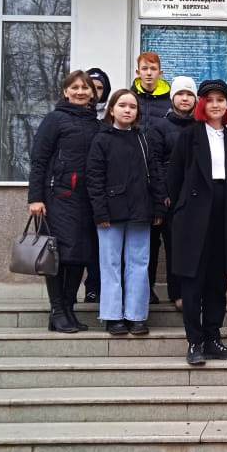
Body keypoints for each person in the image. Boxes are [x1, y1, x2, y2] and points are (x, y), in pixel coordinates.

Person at [167, 79, 227, 366]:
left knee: (217, 281)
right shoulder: (189, 135)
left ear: (226, 105)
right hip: (193, 215)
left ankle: (213, 339)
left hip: (223, 214)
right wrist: (181, 209)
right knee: (193, 282)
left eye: (220, 100)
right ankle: (195, 341)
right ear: (201, 104)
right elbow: (174, 177)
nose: (215, 105)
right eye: (209, 100)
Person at [86, 89, 166, 336]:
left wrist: (158, 206)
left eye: (132, 106)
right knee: (110, 264)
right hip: (110, 214)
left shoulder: (143, 139)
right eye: (122, 105)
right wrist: (100, 213)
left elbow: (155, 174)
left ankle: (136, 316)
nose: (127, 110)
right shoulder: (101, 139)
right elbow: (94, 179)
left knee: (139, 264)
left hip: (141, 212)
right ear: (111, 109)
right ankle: (113, 316)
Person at [28, 70, 100, 333]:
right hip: (58, 198)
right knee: (57, 255)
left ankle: (69, 309)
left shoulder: (95, 123)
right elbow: (39, 160)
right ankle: (57, 311)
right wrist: (35, 198)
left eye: (85, 88)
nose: (80, 92)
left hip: (86, 200)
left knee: (80, 255)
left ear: (92, 93)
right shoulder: (55, 119)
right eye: (75, 87)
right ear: (65, 92)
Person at [150, 76, 197, 311]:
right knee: (172, 246)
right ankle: (176, 292)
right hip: (169, 197)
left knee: (190, 246)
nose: (185, 98)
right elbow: (154, 163)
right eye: (180, 94)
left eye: (189, 94)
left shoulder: (201, 127)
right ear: (172, 98)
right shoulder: (159, 127)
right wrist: (163, 193)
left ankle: (189, 292)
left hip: (195, 196)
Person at [132, 51, 172, 303]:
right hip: (135, 177)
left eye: (153, 69)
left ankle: (158, 287)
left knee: (161, 236)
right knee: (141, 238)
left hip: (162, 177)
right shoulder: (129, 98)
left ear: (160, 72)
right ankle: (141, 288)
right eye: (144, 69)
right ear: (138, 72)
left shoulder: (169, 101)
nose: (149, 73)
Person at [82, 67, 112, 303]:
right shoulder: (76, 116)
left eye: (100, 88)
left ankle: (100, 285)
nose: (95, 92)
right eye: (90, 87)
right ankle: (90, 287)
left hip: (105, 190)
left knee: (102, 241)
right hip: (78, 190)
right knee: (85, 242)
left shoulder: (111, 118)